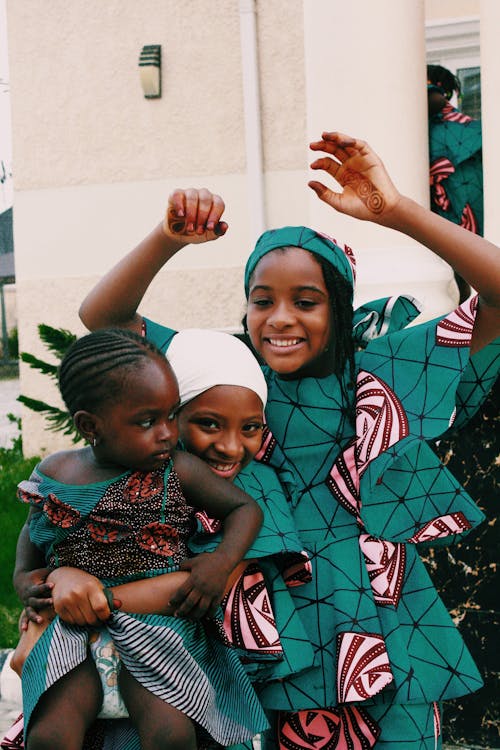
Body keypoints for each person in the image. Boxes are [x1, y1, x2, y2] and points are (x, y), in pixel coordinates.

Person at [78, 130, 500, 750]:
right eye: (261, 300)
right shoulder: (226, 378)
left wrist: (400, 212)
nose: (280, 318)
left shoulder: (385, 371)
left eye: (307, 302)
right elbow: (104, 322)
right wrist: (167, 239)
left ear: (338, 308)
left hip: (386, 624)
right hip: (270, 629)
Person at [7, 328, 314, 750]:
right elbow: (32, 527)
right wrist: (24, 578)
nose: (168, 433)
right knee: (50, 735)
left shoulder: (178, 471)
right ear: (89, 425)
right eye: (149, 422)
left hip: (156, 630)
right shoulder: (56, 472)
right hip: (72, 632)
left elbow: (246, 510)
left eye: (172, 415)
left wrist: (220, 560)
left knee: (170, 732)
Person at [427, 63, 484, 302]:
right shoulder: (446, 122)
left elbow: (435, 98)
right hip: (454, 189)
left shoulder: (442, 113)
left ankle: (465, 304)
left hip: (459, 188)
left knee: (460, 251)